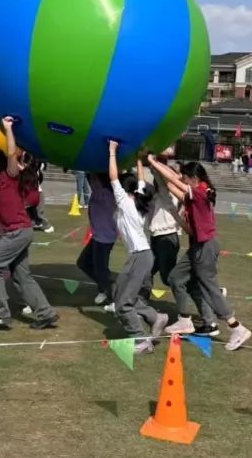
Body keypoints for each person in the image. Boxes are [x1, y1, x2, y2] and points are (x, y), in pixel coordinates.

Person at [147, 156, 252, 351]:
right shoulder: (195, 194)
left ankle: (237, 328)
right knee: (176, 278)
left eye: (185, 178)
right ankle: (186, 320)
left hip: (205, 247)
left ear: (193, 178)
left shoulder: (201, 192)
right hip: (197, 247)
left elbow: (174, 180)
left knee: (210, 288)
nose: (183, 180)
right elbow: (171, 186)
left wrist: (153, 161)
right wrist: (155, 170)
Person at [0, 115, 58, 331]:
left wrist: (8, 128)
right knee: (21, 275)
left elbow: (11, 153)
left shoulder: (9, 175)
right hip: (16, 232)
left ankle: (1, 313)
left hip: (17, 231)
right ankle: (46, 313)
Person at [107, 140, 169, 354]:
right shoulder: (139, 198)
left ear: (125, 191)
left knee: (123, 304)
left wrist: (112, 151)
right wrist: (137, 160)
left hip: (140, 256)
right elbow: (141, 181)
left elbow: (113, 177)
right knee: (120, 294)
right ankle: (155, 317)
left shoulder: (125, 203)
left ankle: (140, 339)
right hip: (140, 256)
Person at [77, 172, 117, 310]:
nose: (91, 181)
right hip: (98, 236)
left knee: (101, 270)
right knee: (83, 263)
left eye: (93, 179)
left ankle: (113, 298)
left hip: (105, 237)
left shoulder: (105, 193)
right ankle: (105, 288)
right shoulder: (96, 193)